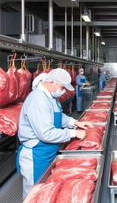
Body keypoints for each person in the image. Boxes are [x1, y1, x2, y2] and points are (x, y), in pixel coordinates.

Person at [17, 68, 91, 198]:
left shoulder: (50, 97)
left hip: (47, 151)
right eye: (62, 87)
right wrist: (73, 133)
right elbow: (46, 134)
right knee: (35, 193)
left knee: (46, 191)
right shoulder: (38, 99)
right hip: (36, 154)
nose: (62, 91)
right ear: (52, 82)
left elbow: (58, 116)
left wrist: (75, 122)